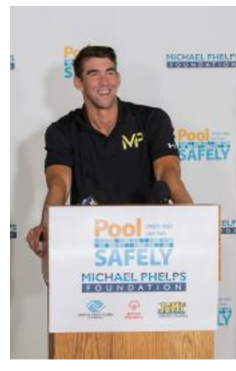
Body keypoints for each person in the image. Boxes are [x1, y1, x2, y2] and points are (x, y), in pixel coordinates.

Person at [26, 45, 194, 283]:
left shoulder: (151, 120)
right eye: (93, 74)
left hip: (150, 246)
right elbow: (58, 184)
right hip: (91, 248)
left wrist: (197, 225)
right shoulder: (61, 131)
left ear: (119, 78)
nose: (104, 81)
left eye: (110, 72)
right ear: (78, 83)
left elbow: (169, 175)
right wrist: (47, 226)